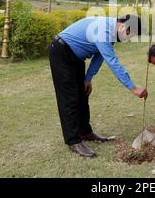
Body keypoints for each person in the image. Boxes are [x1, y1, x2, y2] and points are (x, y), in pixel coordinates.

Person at [49, 15, 148, 158]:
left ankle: (85, 132)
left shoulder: (112, 33)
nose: (127, 38)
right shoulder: (104, 31)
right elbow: (112, 61)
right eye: (128, 33)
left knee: (82, 95)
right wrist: (133, 87)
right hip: (62, 52)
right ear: (121, 25)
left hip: (76, 57)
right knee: (69, 98)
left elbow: (99, 56)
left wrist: (88, 78)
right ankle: (73, 141)